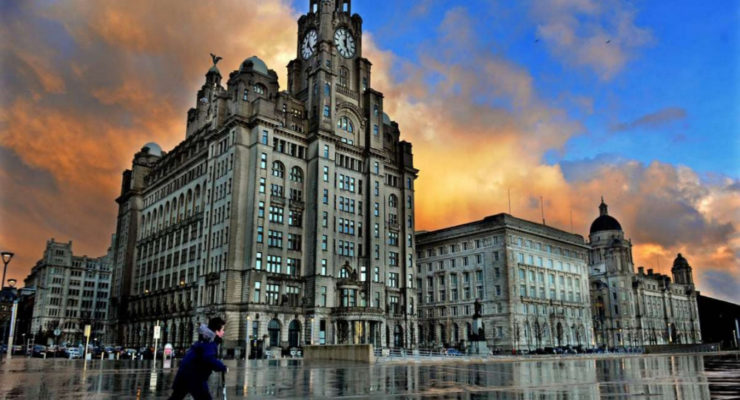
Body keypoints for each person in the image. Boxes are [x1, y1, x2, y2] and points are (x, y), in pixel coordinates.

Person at [168, 317, 228, 400]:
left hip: (184, 373)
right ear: (217, 331)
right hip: (195, 376)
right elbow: (209, 359)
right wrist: (222, 367)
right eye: (222, 330)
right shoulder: (209, 341)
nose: (223, 332)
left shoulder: (204, 338)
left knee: (176, 397)